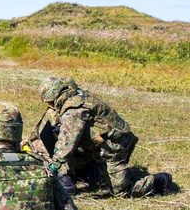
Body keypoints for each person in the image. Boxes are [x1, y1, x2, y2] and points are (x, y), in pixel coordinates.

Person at [34, 76, 173, 197]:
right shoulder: (75, 96)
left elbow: (66, 144)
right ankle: (80, 175)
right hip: (98, 146)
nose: (51, 106)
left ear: (56, 95)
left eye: (51, 102)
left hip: (113, 148)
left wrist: (52, 169)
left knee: (121, 192)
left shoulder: (74, 110)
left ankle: (160, 180)